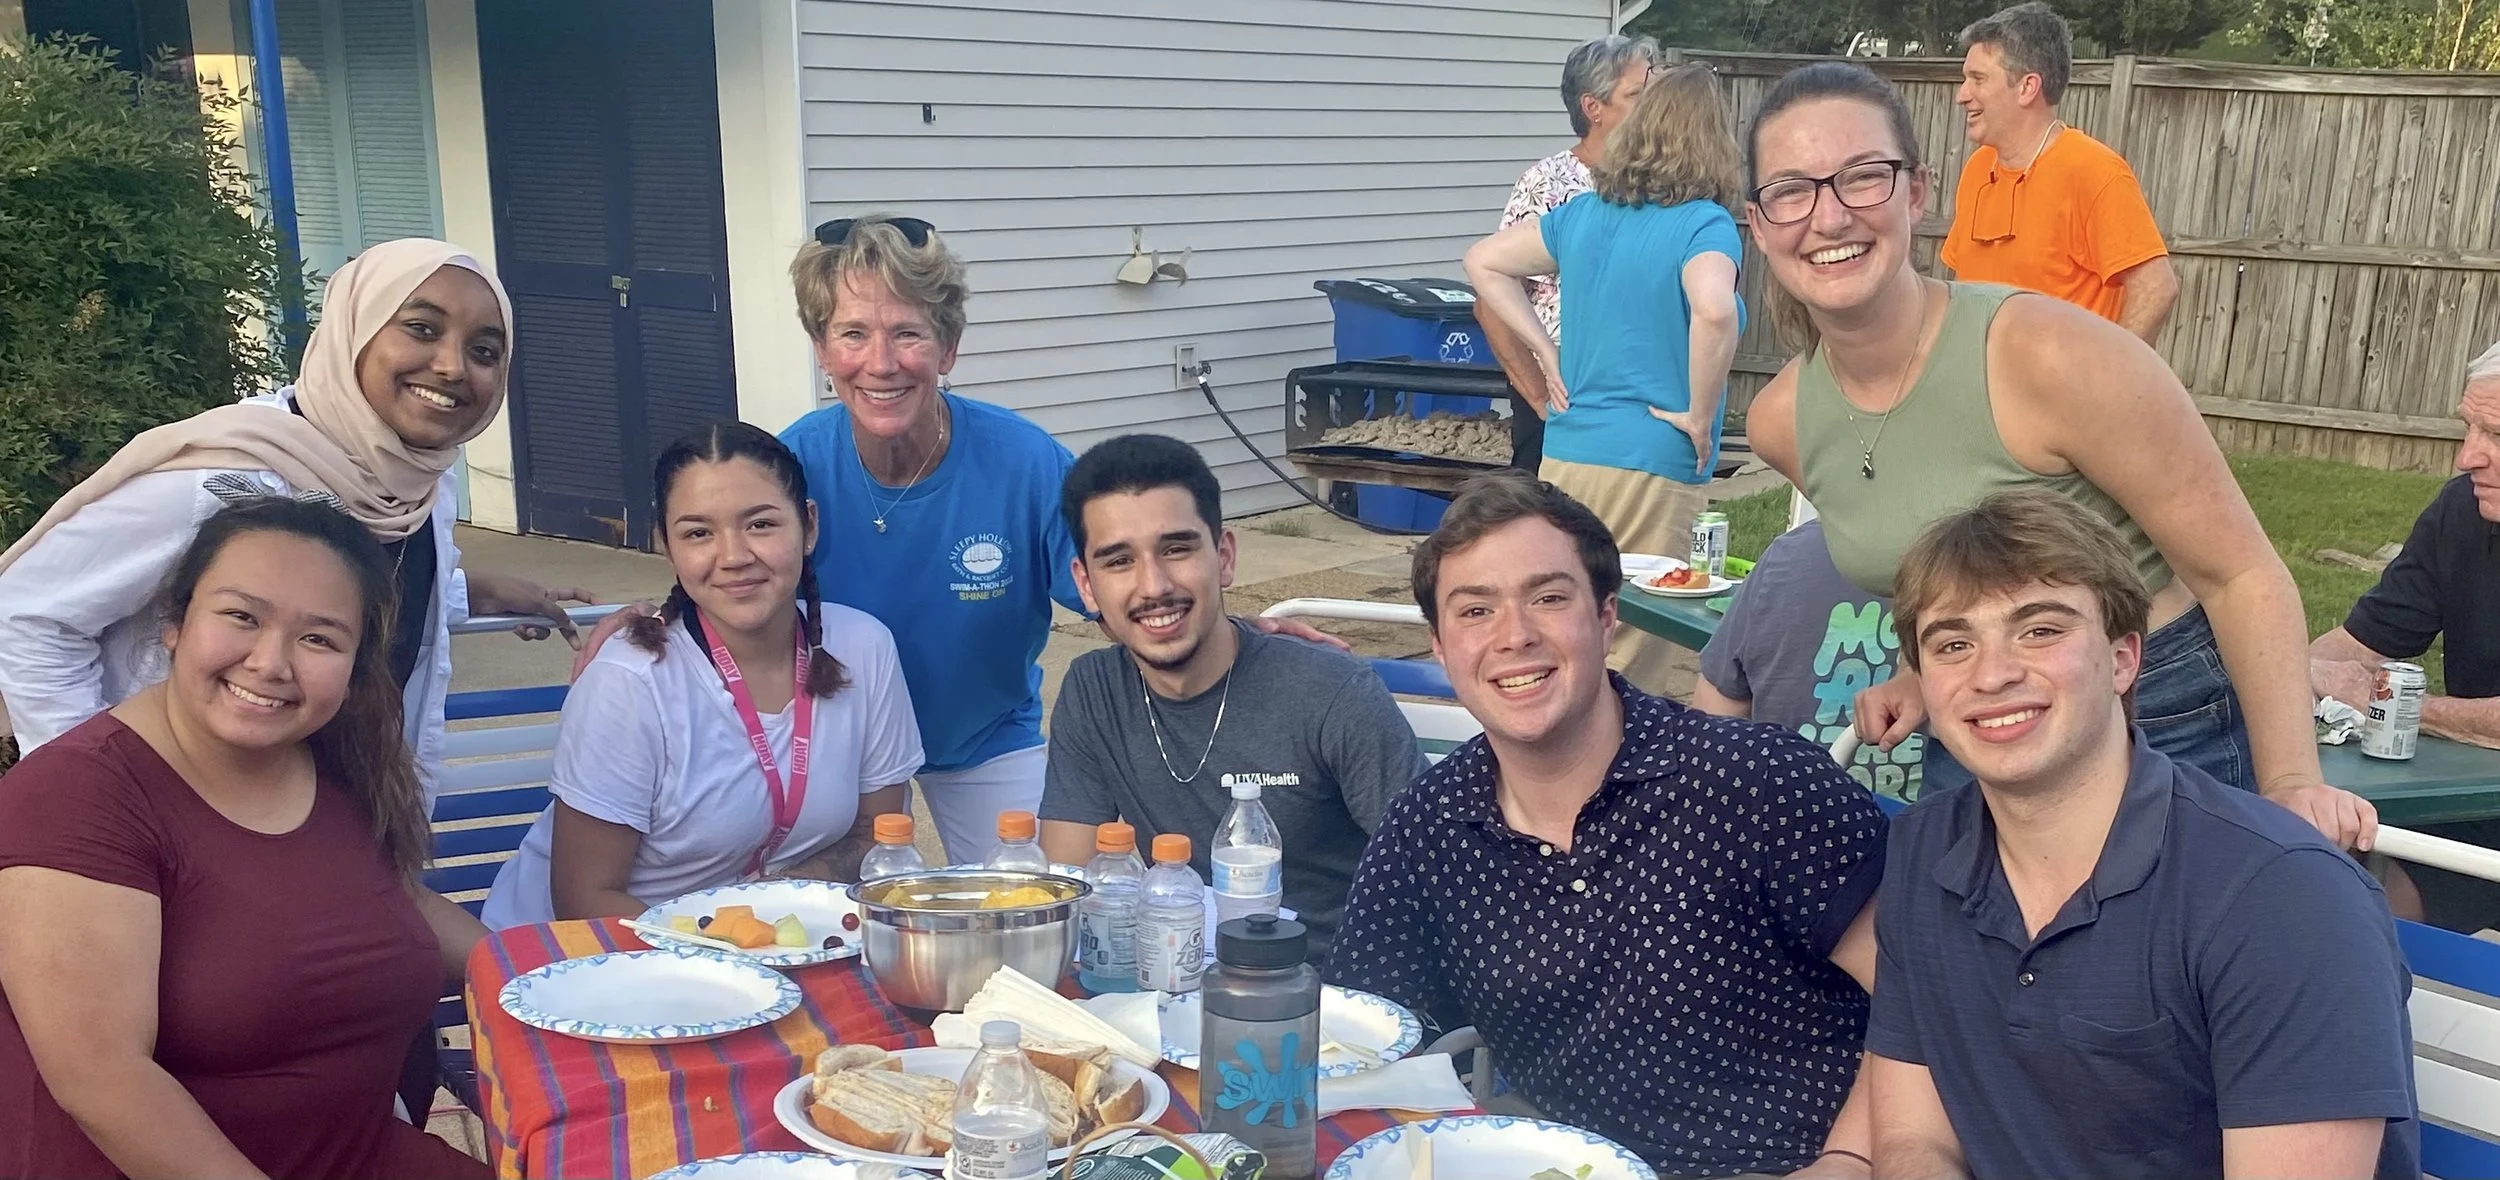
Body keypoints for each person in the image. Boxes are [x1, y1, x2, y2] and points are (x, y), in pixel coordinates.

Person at [1739, 61, 2377, 850]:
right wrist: (1921, 674)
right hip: (1972, 728)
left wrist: (2290, 785)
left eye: (1863, 177)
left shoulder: (2051, 354)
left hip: (2155, 716)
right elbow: (1928, 561)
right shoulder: (1780, 421)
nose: (1829, 217)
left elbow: (2240, 573)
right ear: (1759, 223)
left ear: (1916, 193)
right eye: (1792, 191)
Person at [573, 216, 1337, 865]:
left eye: (908, 333)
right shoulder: (792, 464)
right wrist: (657, 617)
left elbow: (1119, 585)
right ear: (820, 348)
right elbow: (730, 567)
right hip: (831, 745)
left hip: (983, 736)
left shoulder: (1023, 461)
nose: (881, 363)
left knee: (1047, 915)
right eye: (853, 334)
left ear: (950, 346)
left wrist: (1232, 633)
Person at [1329, 472, 1886, 1178]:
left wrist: (1850, 1159)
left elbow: (1926, 985)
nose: (1515, 636)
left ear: (1604, 616)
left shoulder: (1748, 782)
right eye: (1475, 612)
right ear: (1439, 647)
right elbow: (1363, 1036)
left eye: (1549, 598)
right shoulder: (1432, 827)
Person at [1866, 489, 2418, 1180]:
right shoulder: (1924, 851)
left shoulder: (2285, 900)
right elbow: (1916, 1142)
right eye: (1953, 643)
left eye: (2040, 630)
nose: (1994, 673)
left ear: (2124, 659)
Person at [0, 496, 491, 1179]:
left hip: (358, 1154)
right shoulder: (77, 797)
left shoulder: (328, 759)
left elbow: (394, 903)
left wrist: (566, 981)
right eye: (242, 617)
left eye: (318, 638)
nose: (270, 662)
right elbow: (102, 1079)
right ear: (175, 622)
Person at [0, 238, 593, 803]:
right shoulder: (234, 477)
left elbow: (343, 597)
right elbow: (25, 611)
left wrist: (463, 592)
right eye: (421, 328)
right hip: (190, 830)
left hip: (339, 828)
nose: (451, 366)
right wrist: (101, 786)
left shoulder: (418, 485)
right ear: (353, 330)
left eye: (484, 351)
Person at [482, 424, 920, 928]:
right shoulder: (629, 682)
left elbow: (880, 836)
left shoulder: (864, 648)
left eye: (760, 525)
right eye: (698, 533)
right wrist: (744, 935)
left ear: (809, 527)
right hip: (595, 963)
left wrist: (772, 903)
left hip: (774, 945)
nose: (733, 556)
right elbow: (586, 902)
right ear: (665, 546)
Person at [1037, 435, 1426, 962]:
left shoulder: (1330, 692)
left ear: (1223, 557)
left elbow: (1442, 879)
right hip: (1175, 992)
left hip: (1336, 1004)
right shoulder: (1093, 691)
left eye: (1176, 549)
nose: (1153, 585)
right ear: (1086, 585)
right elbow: (1072, 894)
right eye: (1119, 561)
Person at [1463, 64, 1746, 694]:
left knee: (1564, 628)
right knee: (1627, 656)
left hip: (1567, 454)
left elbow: (1482, 261)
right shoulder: (1704, 224)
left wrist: (1545, 351)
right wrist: (1701, 415)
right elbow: (1715, 308)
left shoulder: (1583, 216)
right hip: (1654, 458)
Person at [2310, 340, 2500, 933]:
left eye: (2497, 436)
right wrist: (2286, 670)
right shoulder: (2462, 513)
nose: (2467, 457)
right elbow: (2352, 646)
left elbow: (2368, 683)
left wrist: (2389, 701)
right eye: (2469, 428)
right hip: (2476, 811)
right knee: (2320, 846)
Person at [1941, 3, 2178, 343]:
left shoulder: (2092, 170)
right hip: (1983, 389)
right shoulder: (1978, 169)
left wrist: (2110, 376)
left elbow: (2156, 287)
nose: (1961, 96)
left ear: (2027, 87)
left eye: (1977, 79)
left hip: (2058, 394)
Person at [1482, 33, 1662, 474]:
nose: (1653, 105)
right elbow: (1492, 303)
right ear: (1593, 108)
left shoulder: (1665, 183)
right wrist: (1541, 400)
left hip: (1642, 394)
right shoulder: (1548, 183)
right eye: (1637, 94)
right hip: (1568, 396)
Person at [1693, 520, 1923, 805]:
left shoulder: (1792, 555)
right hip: (1942, 830)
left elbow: (1712, 728)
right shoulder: (1980, 555)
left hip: (1785, 816)